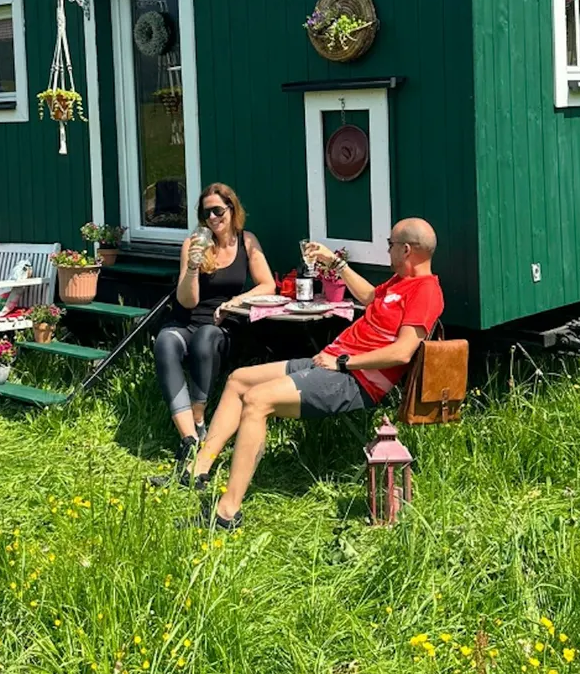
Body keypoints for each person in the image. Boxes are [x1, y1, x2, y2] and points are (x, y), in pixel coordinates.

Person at [181, 217, 443, 529]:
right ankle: (199, 468)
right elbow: (372, 298)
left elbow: (402, 352)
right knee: (239, 379)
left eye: (390, 245)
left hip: (355, 380)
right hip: (332, 363)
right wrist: (336, 263)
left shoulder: (426, 292)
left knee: (257, 400)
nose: (387, 251)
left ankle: (226, 512)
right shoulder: (398, 283)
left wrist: (344, 362)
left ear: (407, 250)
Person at [150, 182, 276, 481]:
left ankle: (199, 420)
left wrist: (235, 302)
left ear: (232, 210)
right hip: (187, 319)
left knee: (206, 338)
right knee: (166, 342)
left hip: (222, 323)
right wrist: (193, 266)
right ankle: (190, 439)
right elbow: (187, 301)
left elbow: (267, 284)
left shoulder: (246, 241)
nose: (213, 219)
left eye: (218, 211)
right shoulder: (194, 244)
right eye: (206, 214)